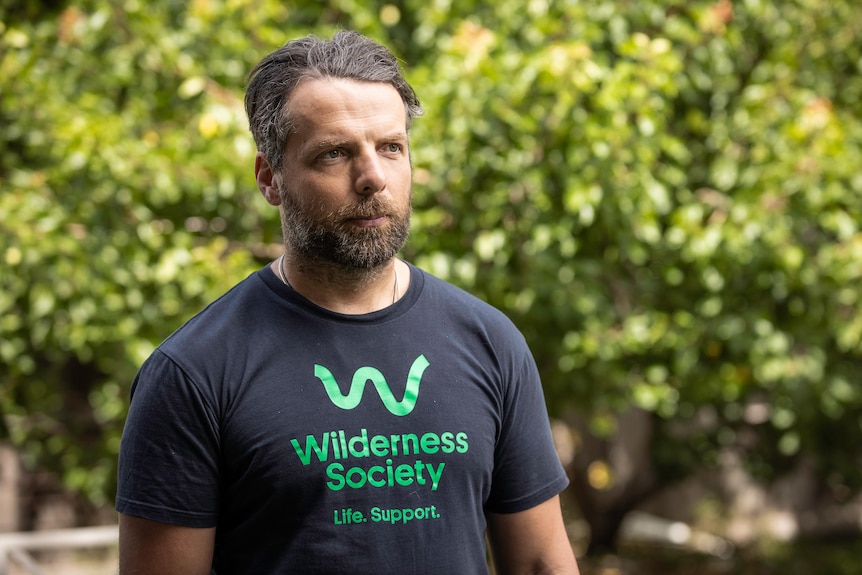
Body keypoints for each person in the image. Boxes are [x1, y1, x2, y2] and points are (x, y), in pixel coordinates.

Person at [116, 30, 579, 574]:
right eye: (334, 153)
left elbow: (541, 563)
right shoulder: (194, 372)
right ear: (271, 178)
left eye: (391, 147)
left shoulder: (489, 341)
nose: (373, 178)